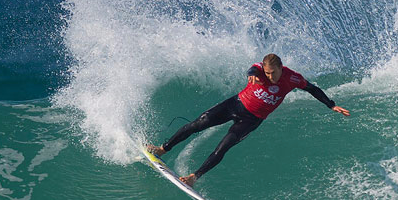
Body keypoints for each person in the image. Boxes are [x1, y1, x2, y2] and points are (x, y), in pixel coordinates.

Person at [146, 54, 350, 186]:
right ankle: (162, 149)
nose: (269, 76)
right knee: (196, 124)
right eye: (266, 72)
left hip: (251, 120)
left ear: (281, 67)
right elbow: (252, 69)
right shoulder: (259, 70)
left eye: (272, 73)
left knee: (222, 148)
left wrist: (330, 104)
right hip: (234, 105)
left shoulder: (293, 78)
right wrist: (253, 75)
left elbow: (312, 89)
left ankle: (194, 177)